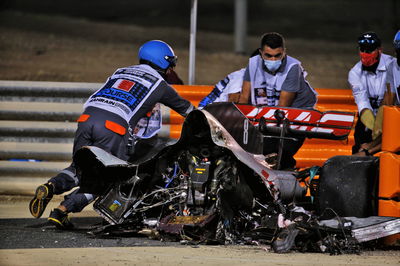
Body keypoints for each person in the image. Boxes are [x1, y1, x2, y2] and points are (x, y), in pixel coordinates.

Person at [29, 40, 194, 229]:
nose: (171, 68)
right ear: (163, 61)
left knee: (79, 168)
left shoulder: (120, 71)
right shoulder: (159, 85)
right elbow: (189, 111)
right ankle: (63, 209)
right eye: (170, 63)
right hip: (114, 126)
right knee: (106, 179)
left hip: (87, 117)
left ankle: (52, 186)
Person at [238, 32, 317, 169]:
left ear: (284, 52)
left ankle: (287, 175)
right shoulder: (253, 64)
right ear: (261, 53)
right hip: (269, 114)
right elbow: (244, 100)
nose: (273, 60)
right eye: (269, 55)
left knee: (277, 153)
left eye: (278, 55)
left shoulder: (293, 68)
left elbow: (282, 108)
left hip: (296, 117)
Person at [353, 30, 400, 156]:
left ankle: (366, 152)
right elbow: (387, 101)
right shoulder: (393, 67)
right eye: (363, 49)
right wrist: (376, 128)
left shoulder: (390, 63)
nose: (366, 53)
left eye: (370, 50)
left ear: (379, 50)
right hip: (384, 118)